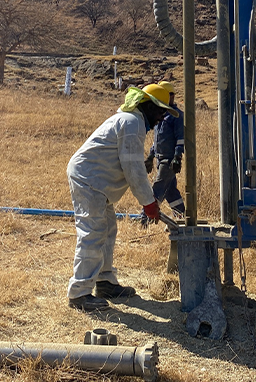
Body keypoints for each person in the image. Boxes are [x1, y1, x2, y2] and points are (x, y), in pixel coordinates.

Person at [66, 83, 177, 312]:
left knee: (107, 230)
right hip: (89, 179)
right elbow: (133, 168)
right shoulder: (132, 122)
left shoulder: (132, 121)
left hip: (96, 181)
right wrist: (148, 203)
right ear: (146, 106)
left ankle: (105, 283)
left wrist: (149, 201)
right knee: (94, 232)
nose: (161, 118)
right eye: (159, 111)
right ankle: (79, 294)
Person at [142, 81, 186, 220]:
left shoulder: (176, 116)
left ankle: (145, 218)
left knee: (158, 188)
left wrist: (177, 157)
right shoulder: (160, 114)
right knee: (171, 191)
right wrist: (150, 156)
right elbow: (157, 140)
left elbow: (180, 138)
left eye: (171, 95)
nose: (170, 98)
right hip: (160, 159)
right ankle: (181, 215)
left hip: (169, 161)